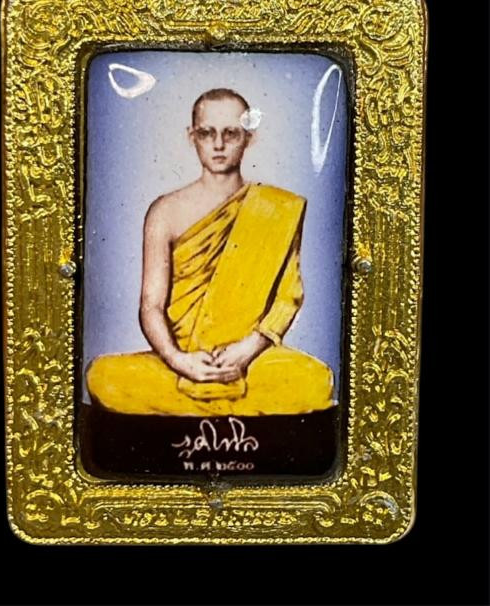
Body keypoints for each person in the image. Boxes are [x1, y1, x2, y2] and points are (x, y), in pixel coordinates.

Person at [86, 88, 335, 416]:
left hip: (250, 359)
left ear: (248, 138)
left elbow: (287, 299)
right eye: (207, 133)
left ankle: (194, 409)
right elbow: (151, 305)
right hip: (182, 358)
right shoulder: (165, 211)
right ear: (192, 137)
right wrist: (178, 360)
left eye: (230, 133)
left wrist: (247, 350)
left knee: (315, 380)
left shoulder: (276, 208)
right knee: (103, 376)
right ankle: (223, 407)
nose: (218, 144)